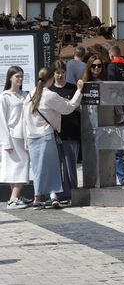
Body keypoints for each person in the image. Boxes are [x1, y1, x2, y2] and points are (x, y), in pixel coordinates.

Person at [24, 67, 83, 209]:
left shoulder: (30, 94)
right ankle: (44, 197)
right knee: (52, 168)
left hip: (32, 136)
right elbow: (69, 108)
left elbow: (24, 119)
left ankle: (45, 196)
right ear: (50, 79)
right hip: (46, 136)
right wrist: (79, 90)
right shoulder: (49, 95)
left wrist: (26, 140)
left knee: (38, 169)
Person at [48, 60, 80, 206]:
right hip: (55, 133)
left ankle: (72, 192)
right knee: (55, 164)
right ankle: (58, 193)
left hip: (71, 131)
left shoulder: (72, 88)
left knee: (70, 165)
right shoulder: (50, 91)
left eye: (62, 72)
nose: (60, 75)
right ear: (53, 74)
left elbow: (79, 108)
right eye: (57, 72)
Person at [1, 66, 30, 209]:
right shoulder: (5, 96)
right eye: (17, 76)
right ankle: (13, 199)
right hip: (12, 137)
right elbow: (2, 120)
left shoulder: (25, 95)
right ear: (10, 78)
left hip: (24, 136)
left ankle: (16, 197)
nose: (20, 79)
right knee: (19, 168)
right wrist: (6, 142)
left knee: (18, 168)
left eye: (21, 76)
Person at [105, 45, 124, 185]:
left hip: (117, 106)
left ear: (111, 55)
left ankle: (122, 177)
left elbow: (111, 85)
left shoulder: (112, 67)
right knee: (120, 137)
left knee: (115, 142)